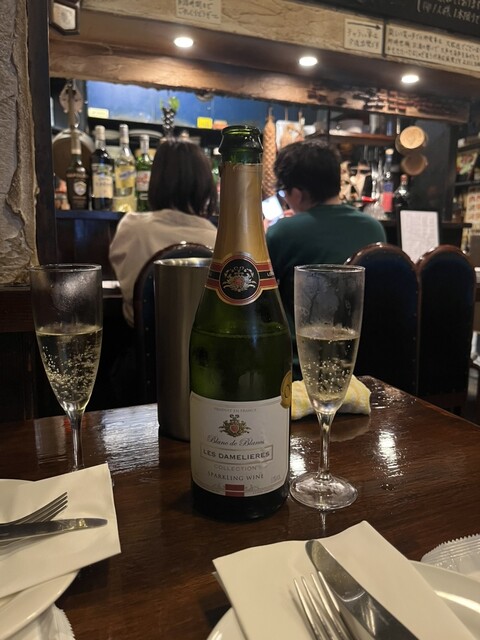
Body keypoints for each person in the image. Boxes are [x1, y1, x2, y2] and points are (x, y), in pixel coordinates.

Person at [266, 138, 386, 379]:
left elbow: (261, 297)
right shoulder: (374, 228)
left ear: (297, 193)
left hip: (300, 365)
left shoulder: (283, 232)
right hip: (360, 363)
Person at [110, 139, 218, 327]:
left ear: (156, 181)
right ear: (205, 184)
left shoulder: (131, 228)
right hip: (206, 343)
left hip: (141, 343)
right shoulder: (218, 238)